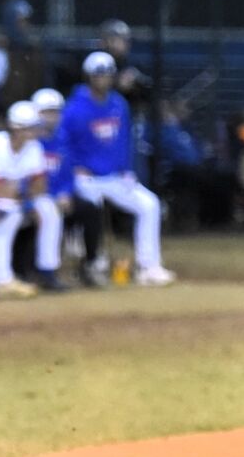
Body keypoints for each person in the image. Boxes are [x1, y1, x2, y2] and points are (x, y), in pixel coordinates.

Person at [61, 52, 175, 286]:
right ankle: (94, 262)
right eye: (98, 75)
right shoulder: (73, 108)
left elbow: (124, 141)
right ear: (89, 77)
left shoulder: (118, 104)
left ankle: (148, 267)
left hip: (114, 175)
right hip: (86, 177)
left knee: (149, 204)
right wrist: (73, 170)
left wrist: (126, 169)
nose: (103, 79)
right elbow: (63, 145)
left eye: (107, 74)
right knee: (92, 208)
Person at [0, 101, 62, 298]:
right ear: (16, 128)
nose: (34, 132)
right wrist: (20, 192)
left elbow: (40, 186)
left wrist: (22, 195)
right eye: (29, 127)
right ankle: (1, 279)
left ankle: (47, 270)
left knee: (48, 209)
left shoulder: (33, 147)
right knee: (7, 215)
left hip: (17, 200)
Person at [32, 88, 94, 289]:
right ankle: (46, 271)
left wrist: (65, 194)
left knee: (89, 208)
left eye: (56, 112)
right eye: (47, 112)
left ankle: (90, 264)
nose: (52, 117)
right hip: (35, 196)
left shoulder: (63, 139)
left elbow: (68, 174)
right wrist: (52, 196)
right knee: (51, 214)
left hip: (58, 195)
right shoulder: (31, 141)